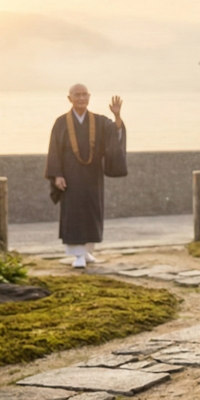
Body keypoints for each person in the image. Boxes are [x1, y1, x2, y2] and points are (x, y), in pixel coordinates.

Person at [44, 84, 127, 268]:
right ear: (69, 98)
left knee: (92, 212)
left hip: (92, 176)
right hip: (70, 175)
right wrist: (57, 174)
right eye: (77, 95)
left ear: (89, 97)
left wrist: (117, 116)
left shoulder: (99, 121)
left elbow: (115, 133)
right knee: (73, 214)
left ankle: (87, 251)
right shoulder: (61, 122)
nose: (81, 98)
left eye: (84, 95)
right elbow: (54, 150)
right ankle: (78, 255)